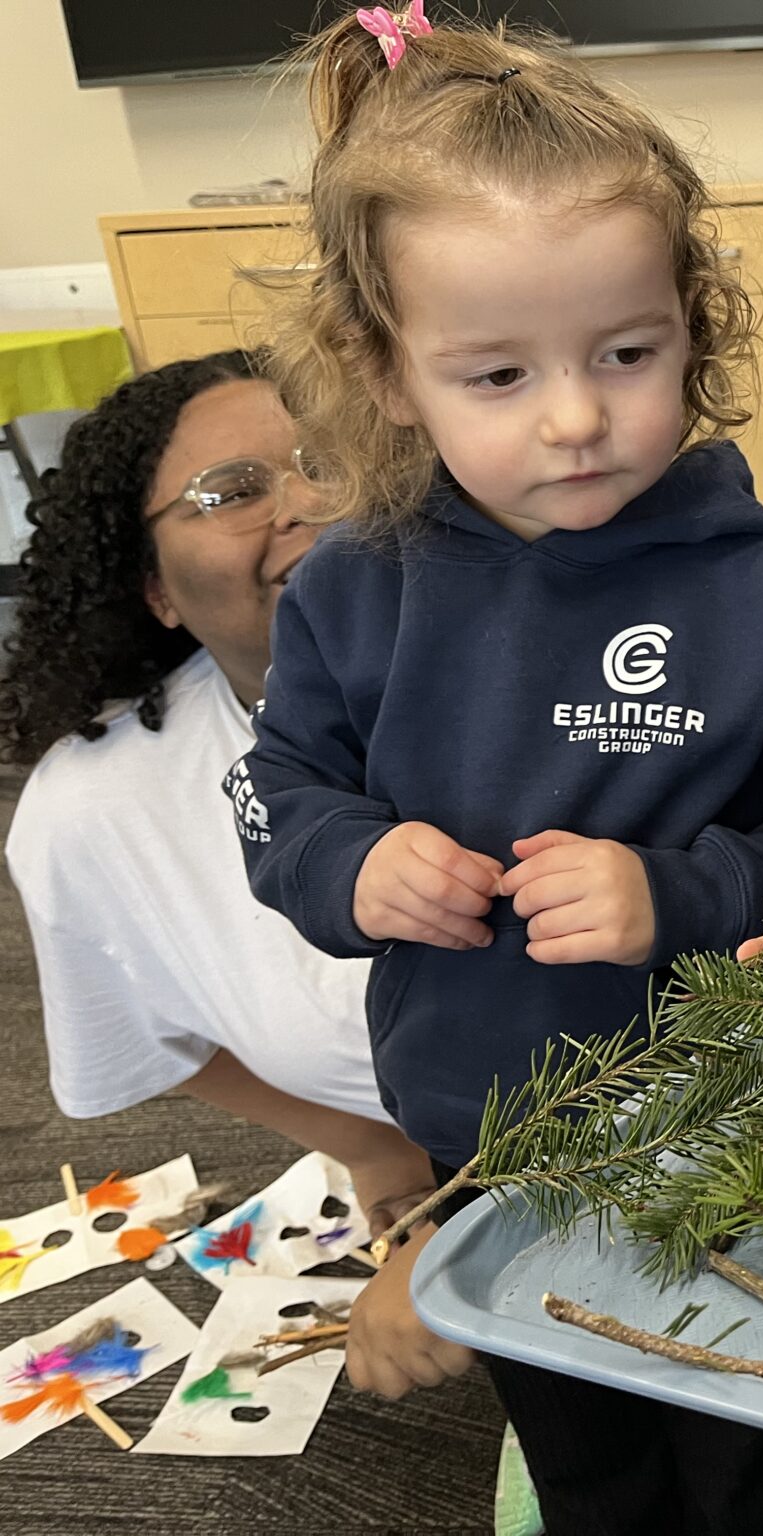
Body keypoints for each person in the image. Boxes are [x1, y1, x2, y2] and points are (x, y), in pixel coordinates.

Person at [234, 13, 763, 1533]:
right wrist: (353, 861)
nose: (575, 416)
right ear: (386, 371)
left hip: (741, 1118)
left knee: (760, 1441)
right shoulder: (355, 588)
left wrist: (686, 894)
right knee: (582, 1443)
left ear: (692, 327)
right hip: (487, 1121)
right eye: (497, 373)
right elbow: (280, 792)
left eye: (627, 353)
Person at [0, 351, 473, 1399]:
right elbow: (141, 1029)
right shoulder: (97, 814)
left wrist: (479, 1224)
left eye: (329, 461)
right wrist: (375, 1149)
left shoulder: (574, 694)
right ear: (154, 589)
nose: (304, 503)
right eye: (231, 491)